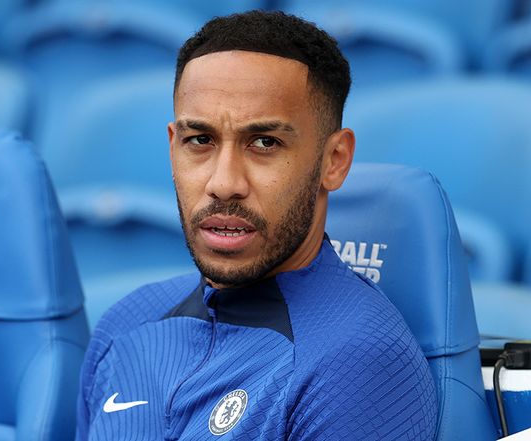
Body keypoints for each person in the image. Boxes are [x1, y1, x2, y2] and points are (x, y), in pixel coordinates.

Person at [75, 10, 437, 440]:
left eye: (265, 143)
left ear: (333, 161)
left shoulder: (358, 363)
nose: (224, 183)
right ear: (173, 148)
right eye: (200, 141)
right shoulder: (126, 324)